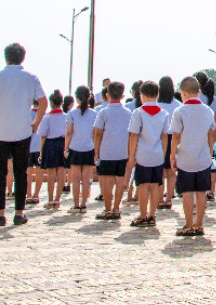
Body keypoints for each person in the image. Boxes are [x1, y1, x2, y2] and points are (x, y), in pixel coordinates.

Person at [0, 42, 47, 227]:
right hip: (22, 130)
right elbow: (43, 102)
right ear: (23, 57)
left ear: (5, 57)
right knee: (21, 172)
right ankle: (19, 212)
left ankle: (0, 213)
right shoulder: (31, 77)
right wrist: (35, 123)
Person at [170, 76, 216, 236]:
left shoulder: (179, 111)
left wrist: (171, 155)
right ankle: (199, 224)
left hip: (185, 158)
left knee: (187, 193)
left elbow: (175, 136)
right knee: (201, 192)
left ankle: (189, 224)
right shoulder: (208, 110)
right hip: (203, 157)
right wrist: (210, 152)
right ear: (198, 93)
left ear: (183, 93)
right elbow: (212, 134)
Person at [127, 80, 170, 228]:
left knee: (143, 186)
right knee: (155, 185)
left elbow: (134, 135)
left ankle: (143, 214)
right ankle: (152, 215)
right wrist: (163, 152)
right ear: (157, 95)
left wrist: (131, 155)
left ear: (142, 96)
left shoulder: (138, 112)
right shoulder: (163, 113)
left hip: (142, 154)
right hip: (157, 153)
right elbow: (165, 135)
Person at [93, 81, 132, 219]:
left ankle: (108, 208)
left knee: (106, 181)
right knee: (120, 180)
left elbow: (97, 133)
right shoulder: (128, 113)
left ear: (107, 95)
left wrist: (96, 151)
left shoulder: (103, 112)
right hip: (122, 151)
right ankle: (116, 208)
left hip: (106, 151)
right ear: (122, 96)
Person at [64, 86, 97, 214]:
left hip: (75, 147)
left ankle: (76, 204)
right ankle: (84, 205)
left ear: (77, 97)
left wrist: (65, 148)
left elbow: (68, 133)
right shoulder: (94, 114)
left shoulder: (72, 114)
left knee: (75, 179)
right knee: (86, 179)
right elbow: (95, 133)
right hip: (89, 147)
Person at [38, 91, 68, 210]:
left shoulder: (47, 117)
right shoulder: (66, 116)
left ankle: (50, 200)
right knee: (61, 173)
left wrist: (41, 152)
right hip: (63, 143)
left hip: (50, 144)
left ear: (51, 102)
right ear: (62, 102)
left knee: (51, 174)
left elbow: (42, 135)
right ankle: (57, 200)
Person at [156, 76, 180, 210]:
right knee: (171, 171)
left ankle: (160, 199)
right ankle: (169, 198)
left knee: (160, 171)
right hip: (174, 138)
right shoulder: (177, 105)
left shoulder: (157, 105)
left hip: (159, 139)